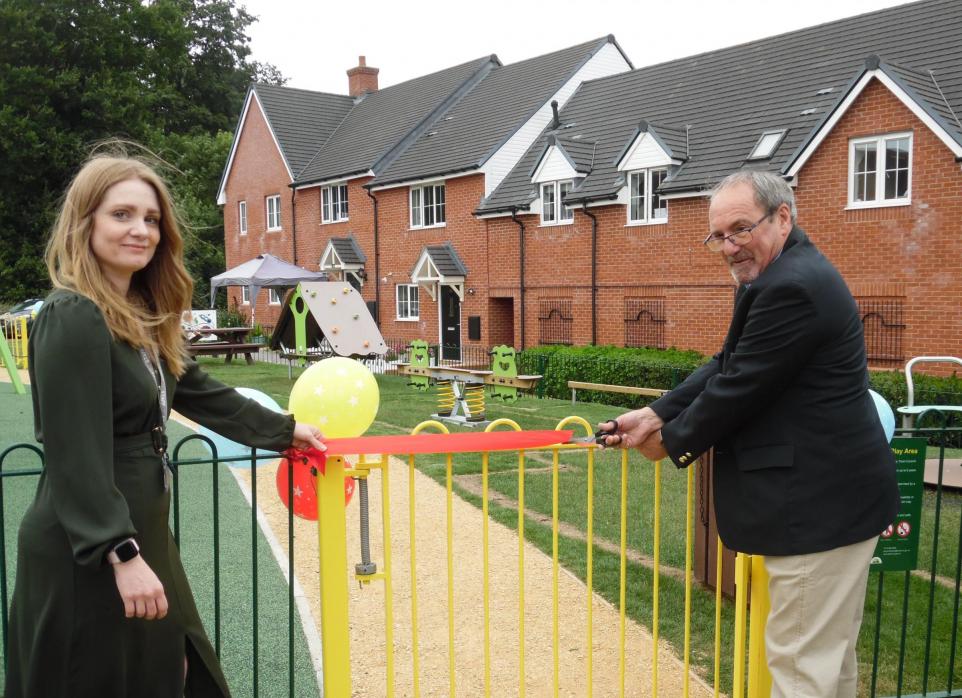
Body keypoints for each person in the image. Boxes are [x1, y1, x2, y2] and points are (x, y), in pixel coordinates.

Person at [4, 149, 325, 698]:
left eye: (151, 219)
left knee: (172, 672)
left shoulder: (142, 316)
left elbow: (198, 391)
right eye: (121, 215)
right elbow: (73, 453)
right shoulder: (73, 314)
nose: (141, 231)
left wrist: (281, 430)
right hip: (88, 548)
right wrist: (120, 552)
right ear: (85, 223)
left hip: (140, 528)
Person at [600, 170, 899, 697]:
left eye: (741, 229)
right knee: (827, 664)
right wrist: (657, 412)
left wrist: (670, 440)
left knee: (802, 670)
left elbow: (739, 387)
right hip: (835, 503)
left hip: (817, 511)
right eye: (719, 235)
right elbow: (729, 362)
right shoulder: (776, 275)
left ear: (783, 217)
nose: (729, 246)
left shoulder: (792, 287)